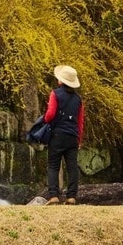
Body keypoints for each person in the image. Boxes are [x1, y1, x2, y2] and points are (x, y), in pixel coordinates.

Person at [42, 64, 84, 205]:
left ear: (61, 81)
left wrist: (45, 119)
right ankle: (71, 196)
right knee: (72, 166)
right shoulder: (78, 99)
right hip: (72, 136)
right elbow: (80, 122)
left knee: (54, 165)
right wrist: (79, 140)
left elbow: (50, 114)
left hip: (58, 135)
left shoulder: (55, 94)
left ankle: (54, 195)